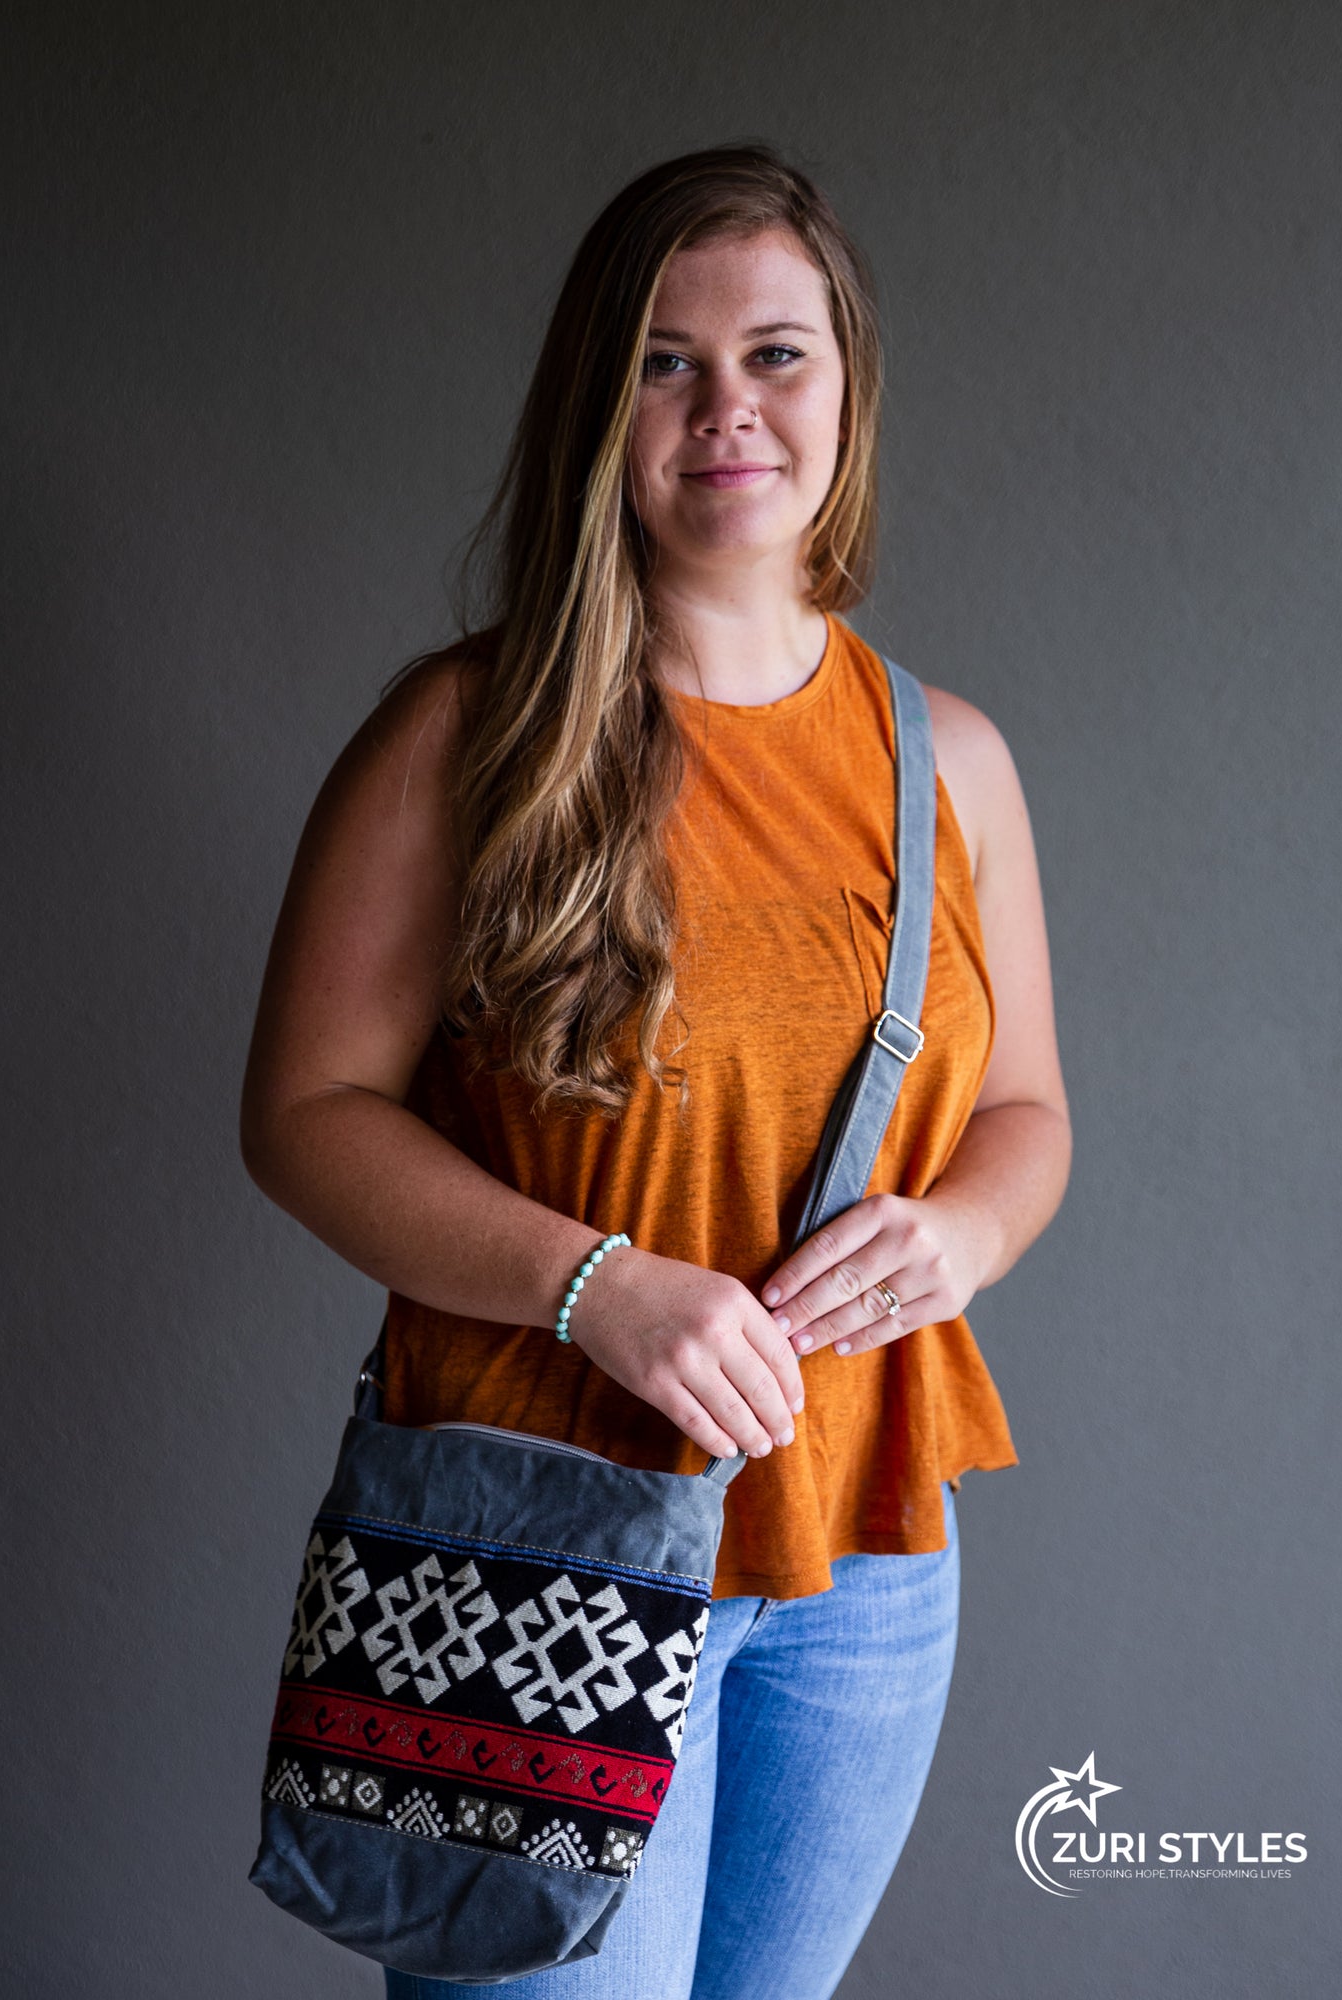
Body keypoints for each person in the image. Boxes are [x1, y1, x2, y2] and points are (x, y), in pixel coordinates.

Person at [240, 142, 1071, 2000]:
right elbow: (301, 1118)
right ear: (595, 408)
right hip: (542, 1547)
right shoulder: (469, 736)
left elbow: (1027, 1115)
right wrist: (595, 1287)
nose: (727, 409)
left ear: (847, 388)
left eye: (776, 354)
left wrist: (963, 1240)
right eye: (664, 363)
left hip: (865, 1561)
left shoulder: (952, 761)